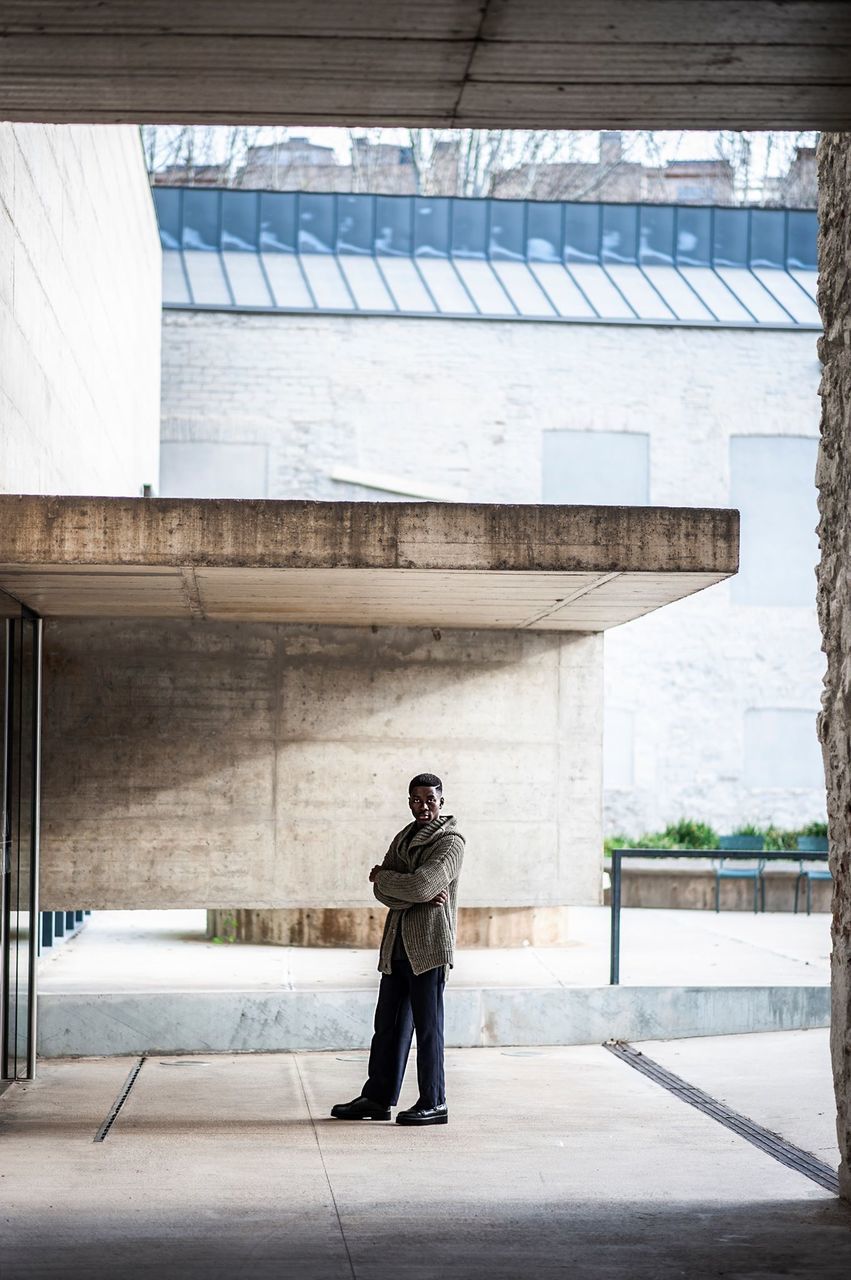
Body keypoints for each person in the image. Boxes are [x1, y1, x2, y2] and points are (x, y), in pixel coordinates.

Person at [331, 772, 465, 1127]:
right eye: (417, 800)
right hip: (397, 947)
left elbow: (422, 885)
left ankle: (434, 1102)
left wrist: (389, 880)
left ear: (442, 801)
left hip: (430, 949)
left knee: (428, 1028)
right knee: (387, 1026)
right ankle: (377, 1098)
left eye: (430, 800)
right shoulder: (403, 837)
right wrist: (399, 888)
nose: (424, 806)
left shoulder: (451, 843)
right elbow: (386, 893)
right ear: (409, 802)